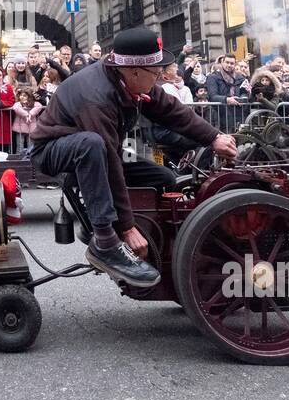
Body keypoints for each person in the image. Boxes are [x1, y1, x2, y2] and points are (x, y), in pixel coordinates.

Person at [30, 27, 238, 288]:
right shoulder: (96, 97)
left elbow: (170, 109)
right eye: (156, 72)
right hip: (53, 149)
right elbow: (111, 161)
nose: (160, 76)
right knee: (92, 145)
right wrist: (127, 227)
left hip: (96, 148)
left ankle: (146, 236)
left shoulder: (130, 79)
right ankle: (104, 242)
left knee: (163, 176)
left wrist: (213, 137)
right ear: (134, 71)